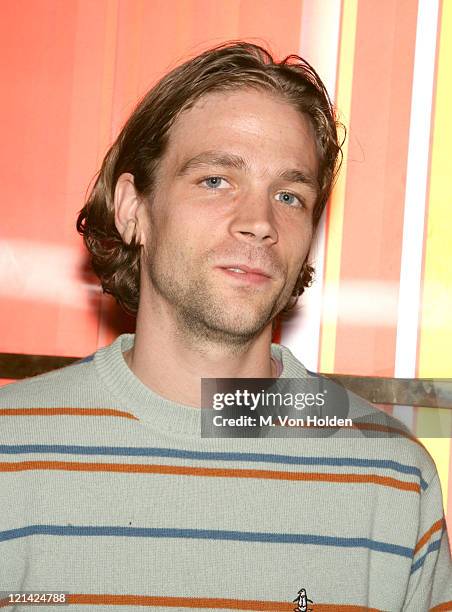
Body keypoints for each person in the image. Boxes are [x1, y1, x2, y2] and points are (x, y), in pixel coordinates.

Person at [0, 41, 451, 612]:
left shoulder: (391, 476)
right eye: (216, 180)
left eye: (289, 195)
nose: (260, 222)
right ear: (133, 209)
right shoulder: (10, 452)